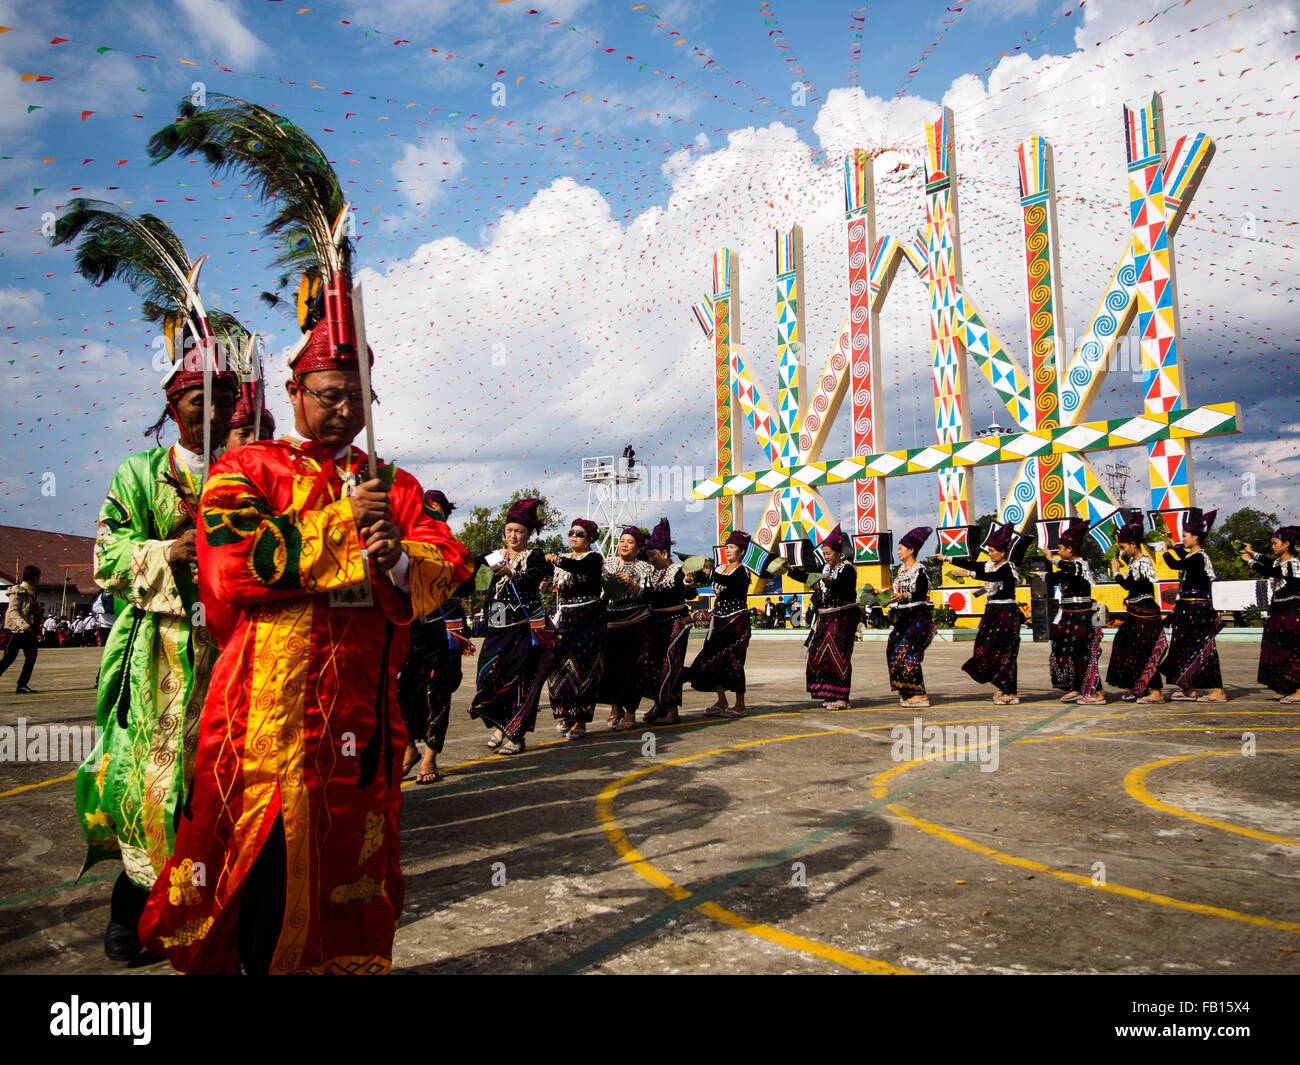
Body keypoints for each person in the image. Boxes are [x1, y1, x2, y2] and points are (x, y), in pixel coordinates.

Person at [138, 314, 474, 975]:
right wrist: (344, 527)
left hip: (362, 721)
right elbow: (232, 564)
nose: (347, 409)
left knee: (348, 869)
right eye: (330, 393)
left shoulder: (392, 483)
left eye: (360, 395)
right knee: (261, 873)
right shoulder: (246, 469)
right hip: (264, 721)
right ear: (295, 390)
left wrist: (397, 559)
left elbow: (450, 558)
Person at [74, 353, 239, 963]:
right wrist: (168, 551)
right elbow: (106, 556)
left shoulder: (251, 471)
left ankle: (222, 910)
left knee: (223, 787)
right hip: (159, 657)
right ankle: (133, 911)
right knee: (154, 784)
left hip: (233, 651)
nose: (215, 411)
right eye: (201, 400)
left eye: (224, 399)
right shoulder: (139, 473)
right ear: (174, 407)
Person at [397, 491, 477, 785]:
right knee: (400, 694)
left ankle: (429, 757)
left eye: (436, 510)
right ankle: (410, 748)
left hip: (442, 631)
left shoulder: (453, 548)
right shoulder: (400, 541)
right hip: (406, 630)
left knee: (437, 695)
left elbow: (467, 584)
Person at [469, 498, 554, 756]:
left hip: (523, 627)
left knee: (520, 681)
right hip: (497, 626)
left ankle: (515, 734)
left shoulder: (534, 555)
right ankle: (500, 724)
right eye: (509, 530)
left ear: (529, 533)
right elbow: (471, 569)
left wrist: (512, 574)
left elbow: (532, 579)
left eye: (519, 531)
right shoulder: (494, 556)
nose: (513, 535)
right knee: (488, 675)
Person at [544, 518, 605, 739]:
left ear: (589, 538)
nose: (573, 536)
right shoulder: (565, 559)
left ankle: (580, 720)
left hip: (588, 617)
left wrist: (554, 558)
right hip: (566, 617)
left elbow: (580, 567)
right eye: (571, 532)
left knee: (584, 667)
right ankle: (566, 712)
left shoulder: (594, 558)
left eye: (579, 534)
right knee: (557, 665)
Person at [1159, 510, 1226, 702]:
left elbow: (1175, 563)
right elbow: (1181, 553)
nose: (1183, 539)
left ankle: (1218, 690)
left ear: (1195, 537)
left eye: (1185, 536)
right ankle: (1188, 688)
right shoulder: (1193, 556)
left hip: (1199, 610)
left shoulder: (1199, 558)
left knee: (1204, 648)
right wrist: (1171, 540)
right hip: (1187, 609)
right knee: (1183, 648)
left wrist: (1164, 551)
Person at [684, 530, 753, 717]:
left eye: (732, 547)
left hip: (737, 621)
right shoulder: (721, 568)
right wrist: (690, 577)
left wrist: (707, 571)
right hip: (719, 620)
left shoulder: (742, 571)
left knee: (735, 661)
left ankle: (740, 704)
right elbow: (703, 579)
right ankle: (722, 700)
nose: (728, 550)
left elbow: (727, 582)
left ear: (742, 551)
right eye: (727, 547)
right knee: (710, 658)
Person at [953, 525, 1023, 705]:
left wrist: (969, 574)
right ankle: (1001, 684)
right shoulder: (990, 566)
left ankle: (1010, 691)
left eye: (992, 551)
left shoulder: (1007, 568)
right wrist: (946, 557)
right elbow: (971, 563)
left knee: (1005, 651)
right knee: (984, 648)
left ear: (1003, 551)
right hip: (991, 612)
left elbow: (993, 577)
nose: (990, 554)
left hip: (1006, 613)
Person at [790, 526, 858, 710]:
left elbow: (847, 589)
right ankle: (829, 693)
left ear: (838, 552)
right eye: (825, 554)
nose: (826, 557)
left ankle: (842, 697)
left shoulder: (848, 569)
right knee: (820, 654)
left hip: (842, 618)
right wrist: (790, 571)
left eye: (829, 553)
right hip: (825, 618)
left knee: (839, 655)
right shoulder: (825, 568)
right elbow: (809, 578)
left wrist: (831, 582)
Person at [642, 518, 698, 725]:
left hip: (676, 622)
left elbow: (690, 593)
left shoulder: (678, 571)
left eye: (652, 556)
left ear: (664, 554)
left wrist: (688, 582)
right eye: (648, 556)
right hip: (655, 624)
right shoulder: (650, 573)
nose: (650, 560)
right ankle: (658, 704)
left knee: (671, 664)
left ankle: (672, 709)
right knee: (652, 665)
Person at [1045, 518, 1106, 705]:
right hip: (1069, 614)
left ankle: (1096, 693)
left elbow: (1063, 572)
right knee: (1068, 651)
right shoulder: (1071, 567)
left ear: (1070, 550)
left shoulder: (1078, 565)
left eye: (1061, 548)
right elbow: (1060, 574)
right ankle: (1077, 687)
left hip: (1082, 615)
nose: (1059, 552)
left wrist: (1050, 564)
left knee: (1083, 652)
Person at [600, 526, 654, 731]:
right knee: (610, 668)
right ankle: (615, 708)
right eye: (622, 541)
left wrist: (632, 585)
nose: (624, 545)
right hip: (611, 621)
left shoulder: (643, 567)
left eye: (630, 542)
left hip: (635, 622)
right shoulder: (608, 564)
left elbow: (648, 594)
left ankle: (630, 711)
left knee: (632, 668)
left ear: (638, 547)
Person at [1105, 520, 1166, 702]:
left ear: (1134, 544)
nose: (1122, 551)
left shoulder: (1143, 563)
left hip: (1145, 613)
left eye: (1125, 547)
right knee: (1125, 646)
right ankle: (1138, 685)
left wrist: (1116, 573)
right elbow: (1125, 558)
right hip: (1135, 613)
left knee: (1144, 650)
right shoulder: (1134, 560)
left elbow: (1130, 585)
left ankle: (1156, 692)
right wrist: (1118, 545)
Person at [1243, 525, 1300, 703]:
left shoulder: (1294, 563)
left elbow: (1270, 571)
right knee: (1276, 649)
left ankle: (1298, 690)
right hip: (1278, 611)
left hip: (1293, 610)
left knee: (1293, 649)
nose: (1272, 546)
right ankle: (1285, 686)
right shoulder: (1279, 562)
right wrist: (1252, 552)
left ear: (1287, 544)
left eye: (1275, 543)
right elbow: (1269, 562)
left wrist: (1249, 561)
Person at [887, 527, 936, 708]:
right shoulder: (901, 571)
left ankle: (920, 694)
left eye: (900, 548)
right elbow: (896, 592)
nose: (898, 552)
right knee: (893, 650)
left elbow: (921, 593)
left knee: (909, 654)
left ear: (911, 550)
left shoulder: (919, 570)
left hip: (917, 616)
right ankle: (907, 691)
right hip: (903, 618)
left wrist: (906, 596)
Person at [1, 565, 43, 694]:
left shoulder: (32, 591)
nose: (40, 580)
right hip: (16, 630)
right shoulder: (18, 591)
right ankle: (22, 684)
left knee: (31, 656)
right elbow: (12, 611)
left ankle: (22, 684)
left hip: (29, 629)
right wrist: (23, 624)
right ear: (34, 577)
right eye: (38, 577)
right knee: (9, 658)